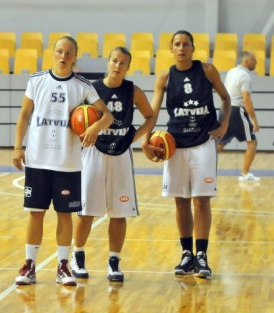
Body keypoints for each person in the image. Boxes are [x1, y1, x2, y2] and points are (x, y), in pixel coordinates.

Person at [12, 35, 113, 287]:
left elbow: (107, 116)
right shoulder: (36, 80)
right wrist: (17, 147)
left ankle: (63, 265)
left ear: (75, 56)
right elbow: (24, 115)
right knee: (35, 213)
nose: (64, 56)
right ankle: (29, 264)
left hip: (67, 161)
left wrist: (94, 128)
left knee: (65, 215)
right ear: (52, 53)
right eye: (59, 51)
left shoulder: (82, 85)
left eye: (69, 53)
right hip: (37, 159)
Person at [143, 30, 230, 279]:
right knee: (181, 201)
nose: (182, 48)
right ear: (171, 49)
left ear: (193, 49)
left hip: (203, 142)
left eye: (186, 44)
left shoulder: (207, 71)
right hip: (175, 145)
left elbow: (225, 99)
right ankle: (186, 254)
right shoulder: (165, 78)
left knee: (201, 200)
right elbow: (153, 112)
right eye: (177, 44)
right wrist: (146, 141)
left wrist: (223, 126)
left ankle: (201, 255)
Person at [71, 47, 156, 282]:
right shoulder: (92, 89)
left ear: (128, 67)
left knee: (119, 213)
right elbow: (75, 117)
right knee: (86, 211)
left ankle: (114, 261)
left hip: (121, 153)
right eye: (115, 61)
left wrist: (136, 137)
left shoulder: (133, 91)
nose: (118, 66)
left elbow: (150, 116)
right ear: (108, 63)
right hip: (92, 153)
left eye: (123, 63)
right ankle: (77, 256)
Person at [217, 51, 261, 182]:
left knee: (219, 144)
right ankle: (245, 174)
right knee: (252, 143)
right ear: (246, 62)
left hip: (224, 109)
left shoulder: (231, 71)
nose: (256, 63)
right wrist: (254, 120)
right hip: (236, 111)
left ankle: (198, 169)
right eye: (254, 60)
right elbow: (246, 99)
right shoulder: (245, 76)